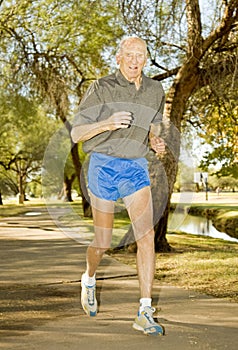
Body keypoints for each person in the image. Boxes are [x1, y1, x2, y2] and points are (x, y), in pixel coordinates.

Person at [71, 36, 166, 336]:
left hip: (136, 166)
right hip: (103, 165)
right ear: (118, 58)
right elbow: (76, 134)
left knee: (146, 235)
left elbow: (154, 124)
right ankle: (89, 278)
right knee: (102, 242)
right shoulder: (100, 88)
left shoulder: (155, 90)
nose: (135, 59)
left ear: (145, 59)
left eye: (141, 54)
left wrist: (155, 140)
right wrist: (107, 123)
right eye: (129, 54)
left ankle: (145, 310)